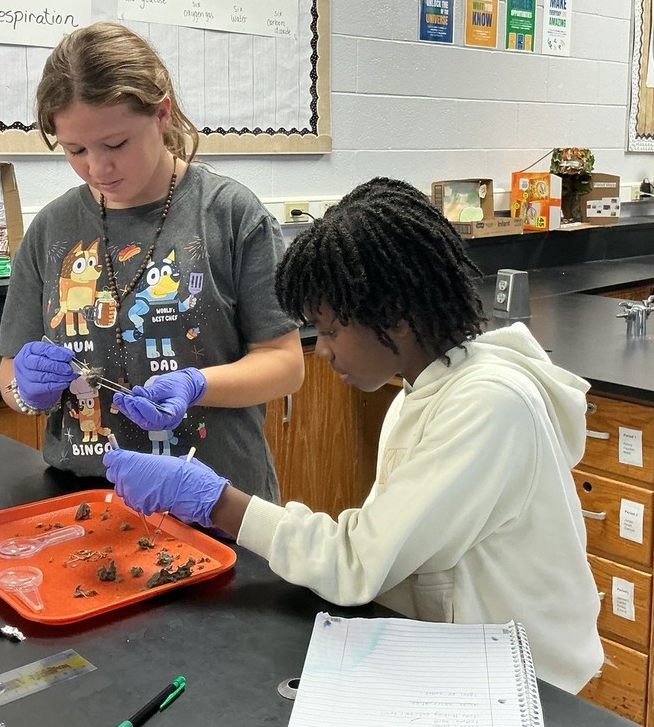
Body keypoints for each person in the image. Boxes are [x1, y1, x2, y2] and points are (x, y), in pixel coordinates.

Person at [103, 176, 604, 694]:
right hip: (452, 652)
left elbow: (358, 562)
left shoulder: (489, 405)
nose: (322, 350)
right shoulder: (422, 389)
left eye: (332, 329)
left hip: (525, 684)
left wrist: (213, 500)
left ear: (396, 318)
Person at [0, 21, 304, 502]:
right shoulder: (51, 230)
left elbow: (285, 364)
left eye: (116, 144)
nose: (98, 169)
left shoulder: (229, 215)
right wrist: (24, 390)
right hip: (87, 502)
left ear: (162, 115)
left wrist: (196, 384)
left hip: (216, 504)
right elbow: (10, 373)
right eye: (75, 150)